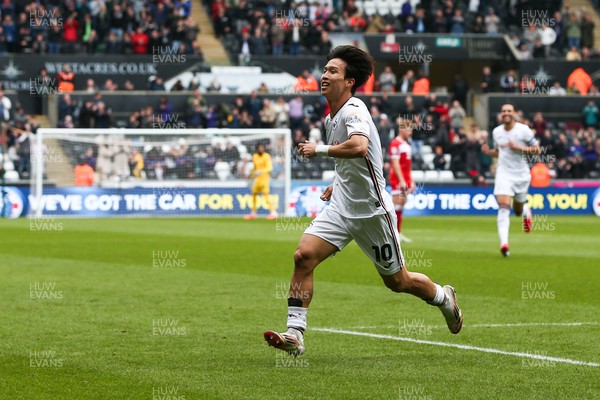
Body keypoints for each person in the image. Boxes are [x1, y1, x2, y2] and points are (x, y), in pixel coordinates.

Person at [263, 46, 463, 357]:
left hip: (371, 212)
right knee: (303, 256)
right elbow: (355, 161)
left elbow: (358, 147)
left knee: (398, 282)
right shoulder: (334, 116)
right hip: (342, 207)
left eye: (333, 71)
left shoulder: (354, 109)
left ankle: (442, 297)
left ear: (350, 81)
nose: (324, 75)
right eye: (325, 69)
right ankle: (295, 333)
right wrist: (335, 183)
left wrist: (318, 150)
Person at [482, 103, 540, 257]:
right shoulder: (497, 132)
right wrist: (489, 152)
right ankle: (504, 244)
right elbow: (499, 152)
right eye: (503, 111)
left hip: (521, 174)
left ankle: (526, 212)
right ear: (501, 115)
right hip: (504, 173)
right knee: (503, 206)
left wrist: (519, 148)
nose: (506, 113)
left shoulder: (524, 130)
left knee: (517, 210)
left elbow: (537, 150)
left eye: (509, 111)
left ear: (514, 113)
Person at [388, 118, 415, 243]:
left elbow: (408, 165)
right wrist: (402, 180)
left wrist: (411, 180)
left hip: (406, 179)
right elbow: (395, 163)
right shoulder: (395, 143)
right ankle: (391, 233)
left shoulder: (407, 144)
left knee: (401, 206)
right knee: (395, 206)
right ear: (402, 129)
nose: (410, 132)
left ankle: (398, 232)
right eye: (409, 129)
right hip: (398, 179)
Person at [244, 143, 278, 220]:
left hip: (265, 179)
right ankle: (253, 213)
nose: (260, 149)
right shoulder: (255, 156)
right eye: (259, 148)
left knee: (266, 195)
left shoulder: (266, 156)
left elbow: (269, 168)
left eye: (262, 148)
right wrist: (251, 175)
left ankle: (273, 212)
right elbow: (255, 168)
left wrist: (261, 171)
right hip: (257, 180)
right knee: (254, 194)